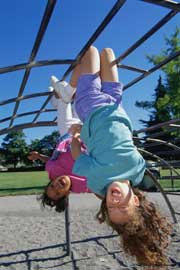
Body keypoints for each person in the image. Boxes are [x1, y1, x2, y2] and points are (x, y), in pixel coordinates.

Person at [68, 46, 172, 267]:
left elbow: (78, 157)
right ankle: (71, 83)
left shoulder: (98, 181)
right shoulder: (137, 171)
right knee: (108, 53)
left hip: (91, 107)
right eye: (122, 207)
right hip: (116, 105)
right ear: (135, 199)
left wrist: (75, 136)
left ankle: (68, 89)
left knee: (91, 52)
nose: (114, 202)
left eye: (111, 208)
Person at [28, 67, 90, 213]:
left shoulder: (53, 171)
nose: (57, 186)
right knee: (79, 102)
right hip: (85, 134)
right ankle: (55, 97)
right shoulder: (82, 185)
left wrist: (38, 156)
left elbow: (49, 160)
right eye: (58, 193)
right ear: (66, 194)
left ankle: (58, 97)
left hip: (67, 134)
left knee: (65, 102)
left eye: (51, 186)